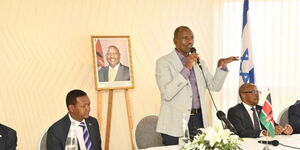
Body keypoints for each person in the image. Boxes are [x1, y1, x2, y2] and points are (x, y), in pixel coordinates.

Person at [155, 26, 238, 145]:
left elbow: (214, 86)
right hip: (175, 122)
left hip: (199, 119)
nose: (190, 41)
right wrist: (186, 68)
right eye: (185, 38)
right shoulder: (164, 62)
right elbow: (167, 93)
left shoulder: (199, 63)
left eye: (192, 38)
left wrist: (221, 67)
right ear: (175, 41)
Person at [227, 83, 293, 138]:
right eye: (254, 92)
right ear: (243, 95)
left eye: (258, 92)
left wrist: (283, 130)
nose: (257, 95)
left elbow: (273, 126)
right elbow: (239, 132)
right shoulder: (234, 111)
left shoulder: (262, 109)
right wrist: (263, 133)